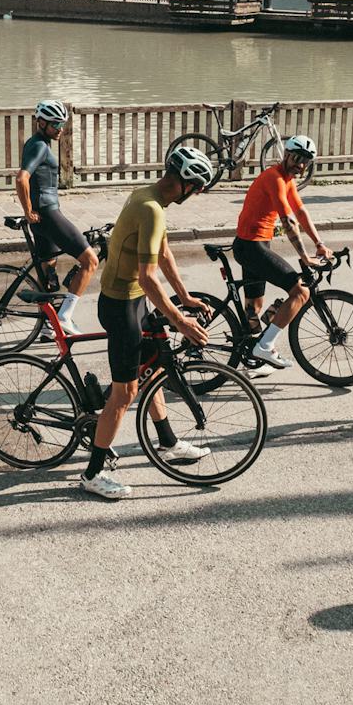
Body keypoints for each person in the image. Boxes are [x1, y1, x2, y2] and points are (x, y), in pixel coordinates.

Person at [84, 145, 218, 501]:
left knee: (155, 367)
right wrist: (181, 321)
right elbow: (147, 276)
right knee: (123, 394)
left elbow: (164, 252)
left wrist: (185, 296)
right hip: (120, 305)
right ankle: (93, 473)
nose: (198, 193)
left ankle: (168, 442)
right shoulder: (151, 209)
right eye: (198, 187)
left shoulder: (148, 198)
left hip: (129, 300)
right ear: (186, 183)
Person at [232, 134, 331, 371]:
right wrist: (305, 256)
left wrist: (319, 243)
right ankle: (265, 347)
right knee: (300, 292)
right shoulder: (274, 179)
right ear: (286, 154)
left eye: (307, 161)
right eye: (298, 158)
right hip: (251, 247)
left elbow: (301, 212)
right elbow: (287, 220)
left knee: (253, 309)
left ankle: (252, 363)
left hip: (255, 246)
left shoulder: (287, 180)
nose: (301, 165)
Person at [14, 100, 98, 333]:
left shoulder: (36, 143)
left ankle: (47, 327)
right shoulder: (40, 146)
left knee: (48, 276)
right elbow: (21, 178)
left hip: (43, 218)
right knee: (90, 261)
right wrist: (28, 210)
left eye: (62, 123)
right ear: (40, 122)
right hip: (48, 214)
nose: (60, 128)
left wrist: (32, 212)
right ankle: (64, 317)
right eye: (54, 124)